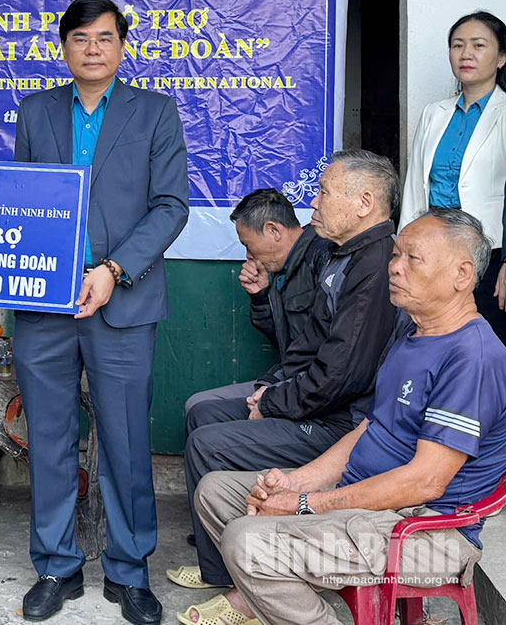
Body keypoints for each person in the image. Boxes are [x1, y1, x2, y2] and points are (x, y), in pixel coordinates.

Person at [187, 208, 506, 625]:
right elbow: (370, 429)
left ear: (462, 275)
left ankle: (272, 596)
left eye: (412, 258)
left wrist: (306, 504)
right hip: (367, 499)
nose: (395, 267)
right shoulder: (413, 335)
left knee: (246, 541)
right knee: (215, 492)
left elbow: (426, 482)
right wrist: (297, 483)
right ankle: (267, 598)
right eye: (396, 255)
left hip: (427, 532)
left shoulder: (472, 357)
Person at [12, 0, 190, 625]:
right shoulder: (35, 111)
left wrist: (113, 270)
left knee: (126, 441)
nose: (93, 48)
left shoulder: (155, 111)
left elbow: (171, 206)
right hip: (45, 303)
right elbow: (22, 202)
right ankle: (55, 567)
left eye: (105, 38)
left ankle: (129, 571)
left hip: (124, 302)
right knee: (48, 439)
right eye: (81, 38)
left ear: (122, 46)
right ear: (63, 46)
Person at [171, 150, 398, 593]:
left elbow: (340, 376)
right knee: (204, 414)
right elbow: (307, 346)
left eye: (324, 192)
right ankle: (221, 557)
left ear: (364, 202)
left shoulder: (374, 264)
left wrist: (274, 402)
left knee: (206, 444)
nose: (314, 202)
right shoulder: (342, 255)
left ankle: (234, 577)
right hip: (312, 400)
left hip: (340, 423)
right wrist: (271, 389)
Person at [401, 10, 506, 342]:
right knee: (431, 336)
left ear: (501, 58)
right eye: (458, 45)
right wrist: (404, 249)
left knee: (485, 341)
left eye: (478, 45)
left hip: (489, 254)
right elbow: (415, 188)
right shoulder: (434, 113)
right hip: (433, 252)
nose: (466, 54)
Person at [184, 188, 331, 416]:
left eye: (248, 245)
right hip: (290, 378)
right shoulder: (283, 268)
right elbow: (285, 341)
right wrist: (261, 296)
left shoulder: (322, 256)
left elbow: (323, 352)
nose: (249, 255)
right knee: (197, 404)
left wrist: (273, 390)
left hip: (311, 390)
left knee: (204, 413)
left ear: (273, 230)